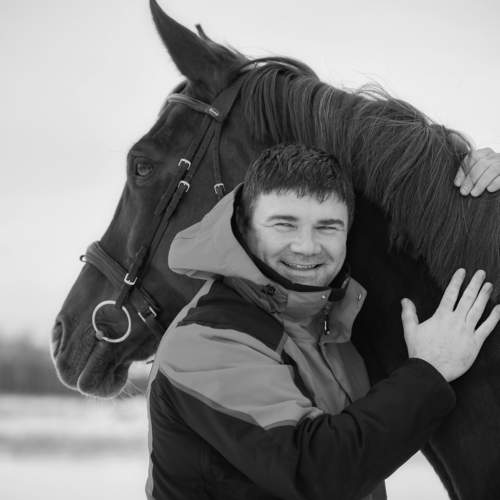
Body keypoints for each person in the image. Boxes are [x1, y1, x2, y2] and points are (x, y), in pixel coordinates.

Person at [146, 144, 500, 500]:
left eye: (327, 227)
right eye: (284, 225)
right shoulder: (205, 342)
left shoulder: (327, 324)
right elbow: (316, 471)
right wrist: (429, 370)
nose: (307, 246)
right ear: (245, 226)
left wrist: (483, 185)